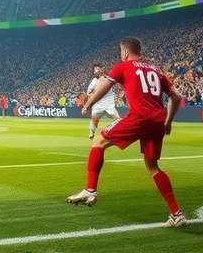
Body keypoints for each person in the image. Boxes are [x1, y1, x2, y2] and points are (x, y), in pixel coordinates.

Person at [67, 37, 185, 227]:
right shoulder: (156, 69)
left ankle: (90, 190)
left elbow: (104, 86)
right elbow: (177, 97)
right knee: (153, 167)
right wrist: (168, 121)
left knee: (99, 142)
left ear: (125, 52)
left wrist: (88, 103)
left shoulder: (122, 67)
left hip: (139, 117)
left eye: (121, 52)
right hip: (158, 120)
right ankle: (176, 214)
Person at [86, 63, 120, 139]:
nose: (98, 71)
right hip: (98, 105)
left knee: (118, 120)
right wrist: (94, 95)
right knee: (95, 120)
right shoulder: (93, 82)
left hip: (108, 105)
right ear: (94, 72)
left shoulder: (107, 78)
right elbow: (88, 93)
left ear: (102, 70)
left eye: (99, 69)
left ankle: (110, 131)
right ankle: (92, 132)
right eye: (96, 70)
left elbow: (113, 84)